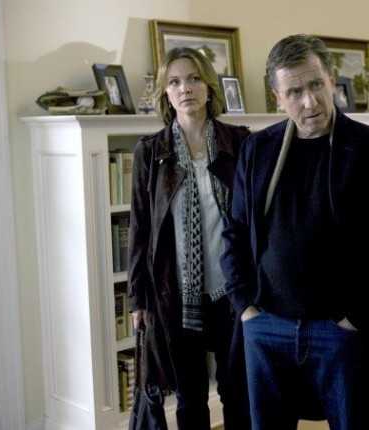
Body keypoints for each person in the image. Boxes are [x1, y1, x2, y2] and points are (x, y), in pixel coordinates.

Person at [221, 34, 369, 430]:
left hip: (343, 330)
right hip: (267, 326)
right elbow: (236, 233)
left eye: (315, 85)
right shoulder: (256, 150)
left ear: (332, 81)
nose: (309, 102)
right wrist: (246, 307)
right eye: (294, 92)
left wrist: (354, 319)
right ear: (278, 98)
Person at [127, 46, 251, 430]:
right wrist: (137, 299)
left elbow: (254, 221)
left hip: (232, 290)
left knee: (238, 391)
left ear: (209, 86)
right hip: (175, 295)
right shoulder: (151, 152)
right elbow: (141, 229)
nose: (186, 89)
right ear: (166, 93)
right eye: (175, 82)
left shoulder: (240, 142)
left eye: (194, 78)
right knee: (190, 397)